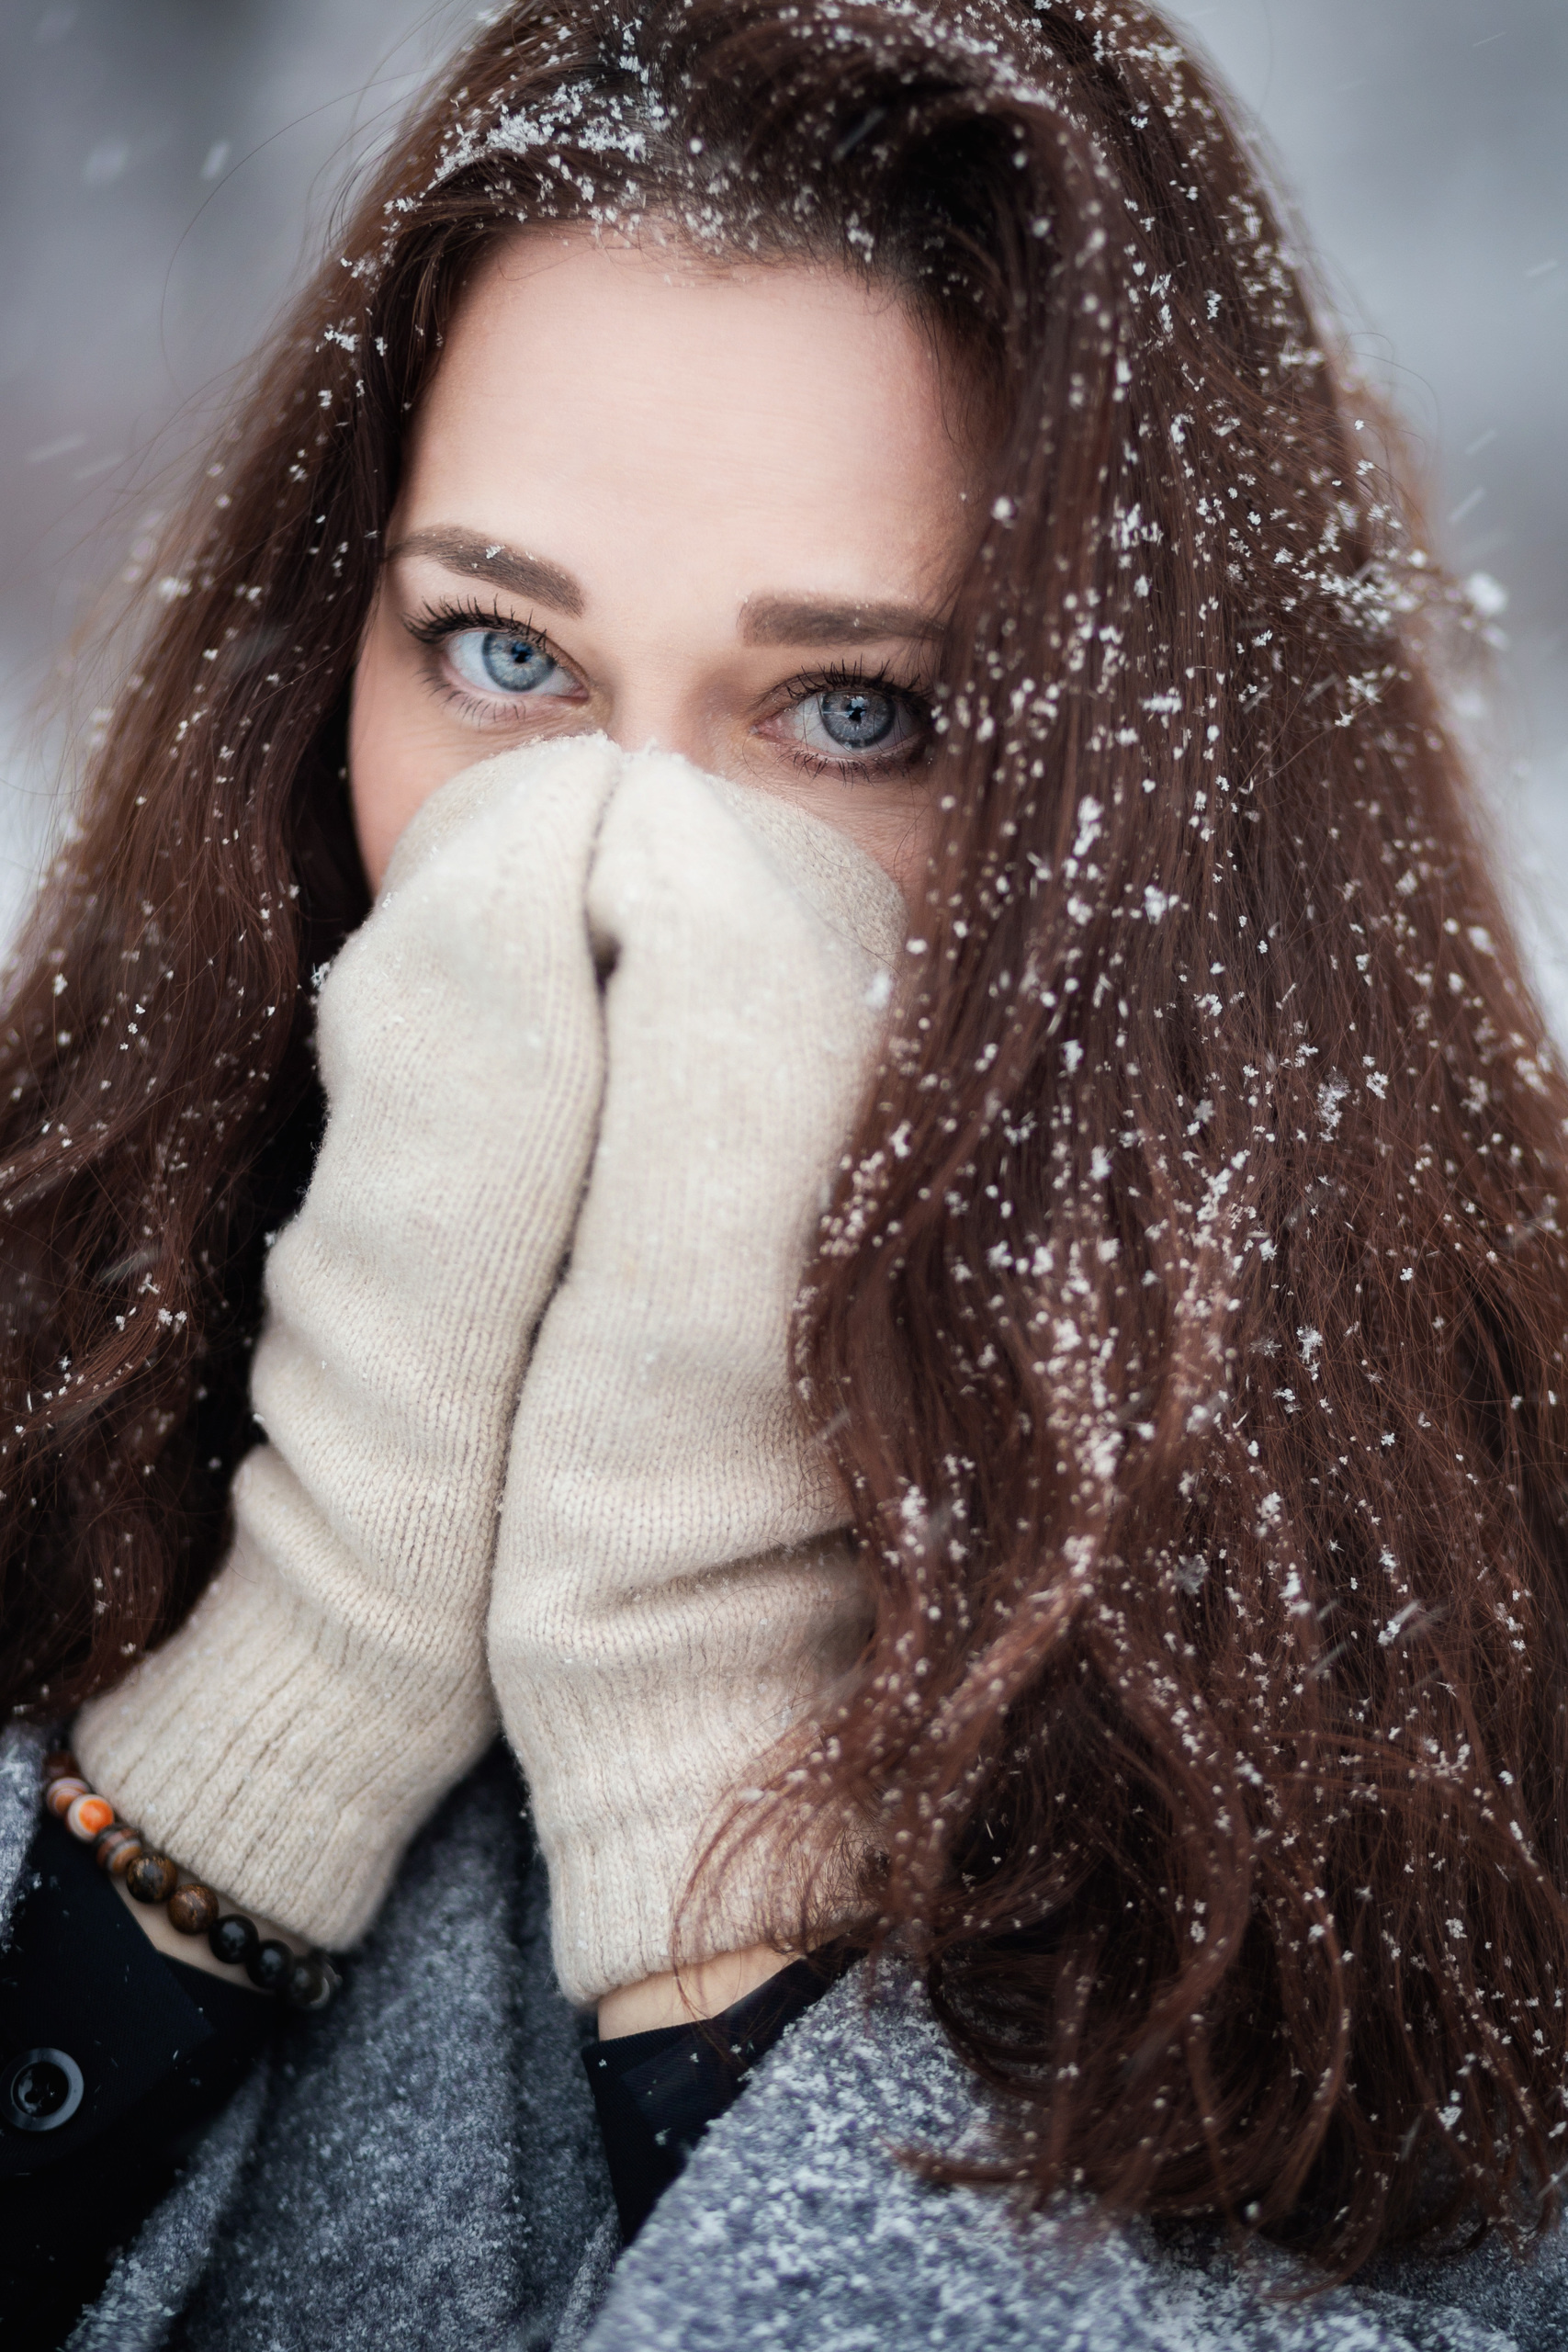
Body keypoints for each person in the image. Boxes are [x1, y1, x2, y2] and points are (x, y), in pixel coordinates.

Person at [2, 2, 1567, 2345]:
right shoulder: (46, 1320)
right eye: (501, 650)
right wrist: (273, 1710)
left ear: (1149, 815)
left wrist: (720, 1842)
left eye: (855, 710)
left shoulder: (1479, 1626)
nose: (619, 879)